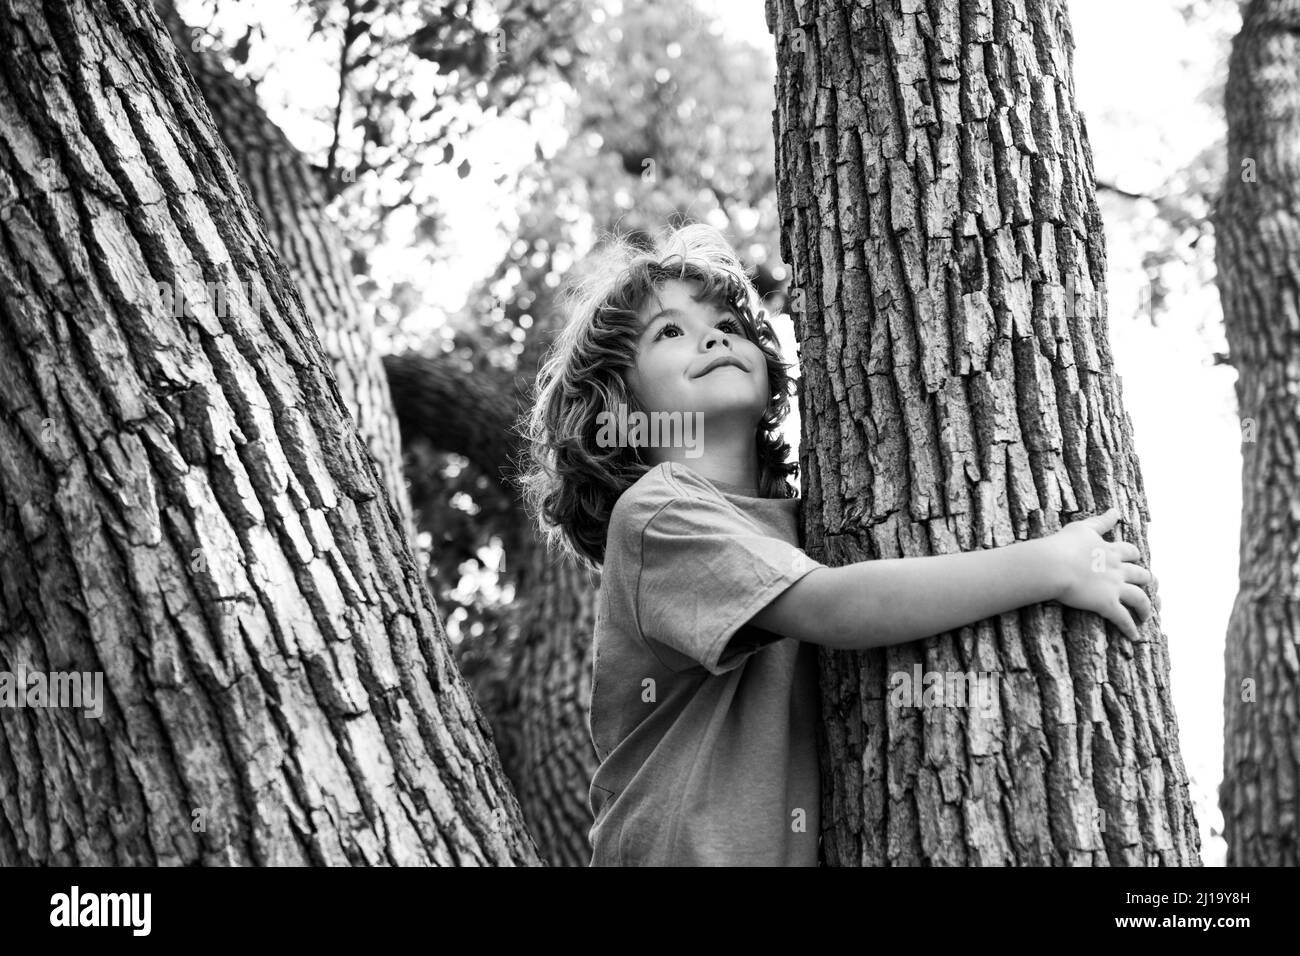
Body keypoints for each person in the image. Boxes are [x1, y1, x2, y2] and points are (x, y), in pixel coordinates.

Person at [516, 222, 1154, 866]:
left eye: (728, 324)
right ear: (619, 405)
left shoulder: (806, 524)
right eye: (670, 332)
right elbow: (833, 608)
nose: (713, 335)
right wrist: (1049, 565)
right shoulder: (657, 514)